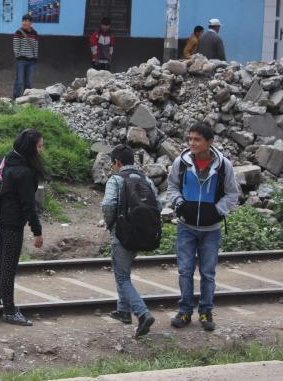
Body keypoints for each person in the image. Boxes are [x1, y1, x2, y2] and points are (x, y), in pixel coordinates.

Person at [167, 122, 239, 332]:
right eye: (190, 139)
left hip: (211, 230)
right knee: (185, 271)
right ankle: (185, 311)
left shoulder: (223, 166)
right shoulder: (181, 162)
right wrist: (180, 203)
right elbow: (172, 187)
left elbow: (232, 194)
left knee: (208, 273)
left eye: (197, 139)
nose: (192, 143)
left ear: (209, 142)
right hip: (185, 227)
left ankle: (206, 312)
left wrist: (217, 210)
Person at [101, 144, 160, 338]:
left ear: (117, 162)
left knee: (122, 277)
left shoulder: (116, 179)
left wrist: (112, 224)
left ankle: (142, 314)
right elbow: (158, 205)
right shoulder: (146, 180)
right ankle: (123, 311)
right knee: (123, 272)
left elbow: (108, 204)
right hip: (143, 233)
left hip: (123, 234)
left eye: (112, 164)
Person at [0, 128, 44, 326]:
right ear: (30, 148)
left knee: (3, 262)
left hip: (1, 218)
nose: (41, 150)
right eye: (39, 146)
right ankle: (9, 311)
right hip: (12, 222)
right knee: (9, 267)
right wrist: (37, 232)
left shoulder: (7, 160)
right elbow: (28, 205)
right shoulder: (24, 172)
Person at [12, 14, 39, 99]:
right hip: (21, 61)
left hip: (31, 61)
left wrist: (35, 57)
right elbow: (16, 46)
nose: (25, 23)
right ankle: (16, 98)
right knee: (19, 81)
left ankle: (27, 99)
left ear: (31, 23)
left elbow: (35, 46)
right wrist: (18, 56)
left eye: (27, 21)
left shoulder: (35, 33)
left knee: (29, 82)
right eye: (23, 21)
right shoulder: (18, 32)